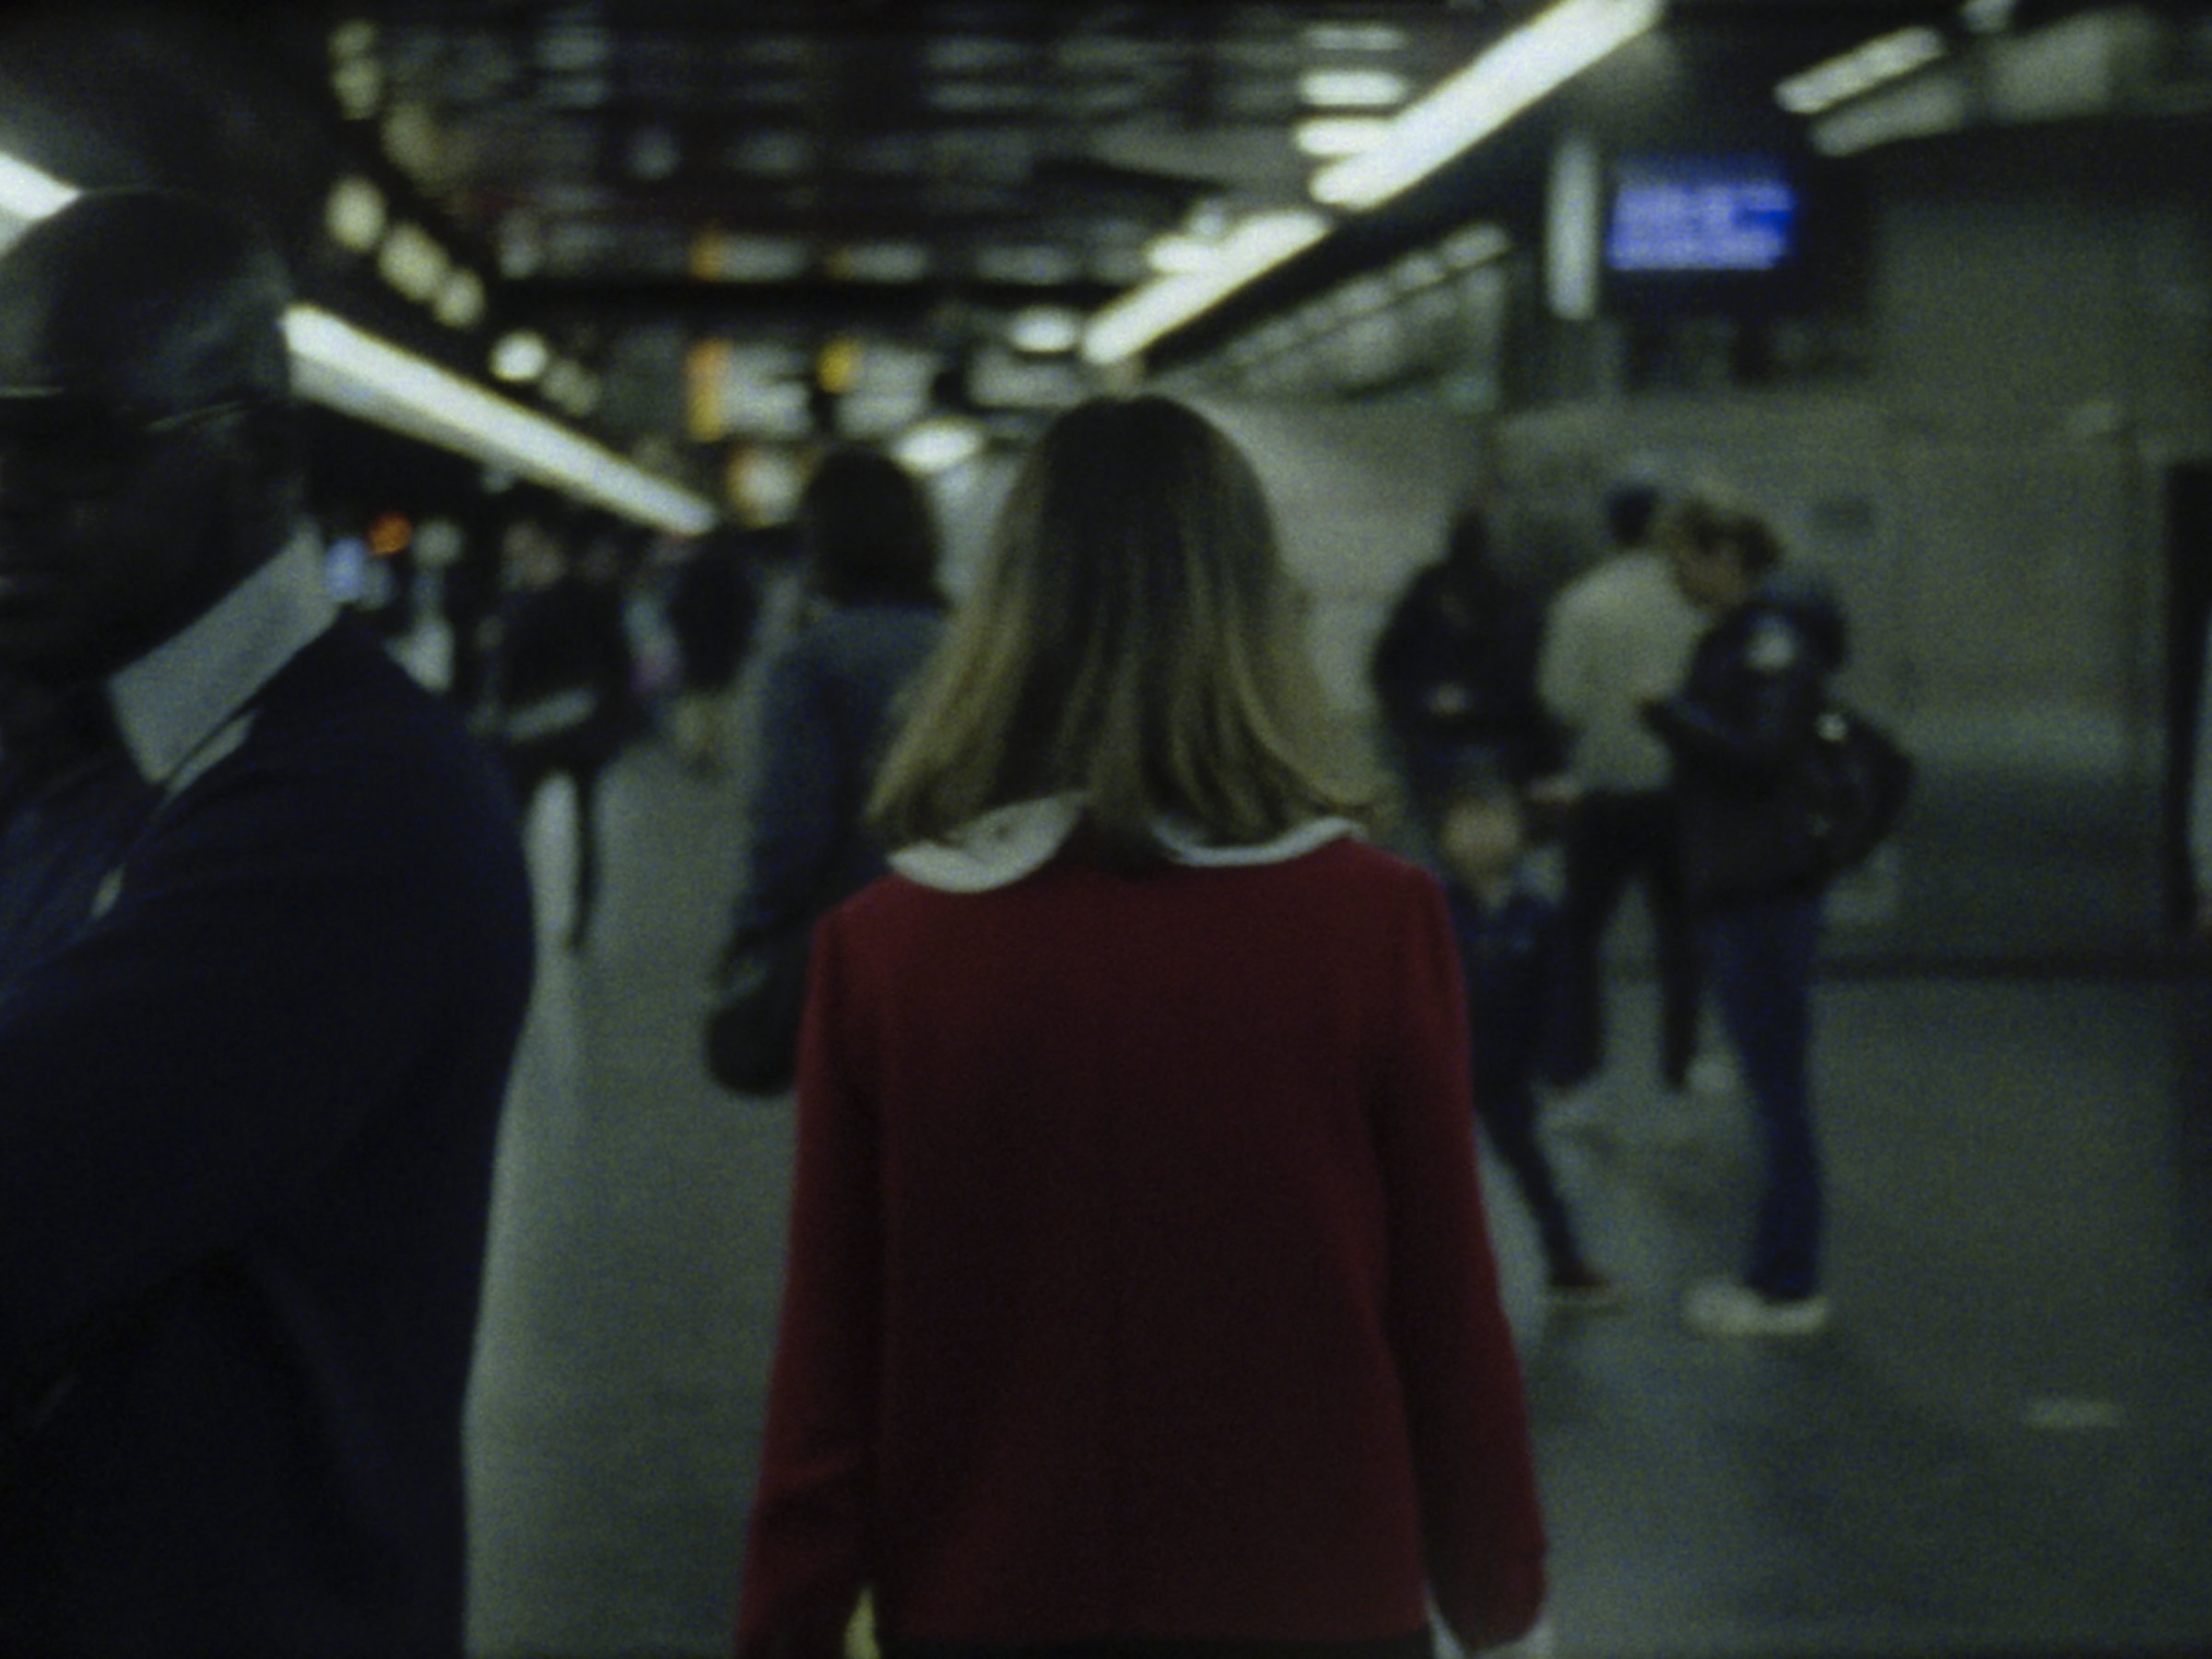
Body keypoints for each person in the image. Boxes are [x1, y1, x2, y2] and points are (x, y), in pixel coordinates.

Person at [736, 395, 1546, 1659]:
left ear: (1003, 615)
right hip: (1321, 1607)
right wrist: (1499, 1603)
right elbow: (1446, 1317)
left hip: (988, 1606)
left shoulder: (884, 951)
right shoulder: (1376, 922)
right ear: (1249, 610)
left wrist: (788, 1628)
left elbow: (830, 1378)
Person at [0, 189, 534, 1653]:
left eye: (70, 439)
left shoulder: (353, 812)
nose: (8, 488)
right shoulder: (79, 746)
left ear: (261, 459)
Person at [1641, 488, 1846, 1339]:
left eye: (1683, 558)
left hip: (1761, 891)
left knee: (1777, 1094)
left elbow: (1759, 755)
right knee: (1774, 1089)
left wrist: (1666, 713)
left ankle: (1787, 1285)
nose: (1676, 577)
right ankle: (1776, 1275)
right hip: (1748, 885)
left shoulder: (1767, 642)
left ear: (1724, 554)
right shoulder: (1743, 640)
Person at [713, 445, 946, 1060]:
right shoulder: (978, 647)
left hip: (857, 942)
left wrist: (756, 926)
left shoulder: (814, 660)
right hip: (969, 939)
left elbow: (792, 823)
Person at [1534, 479, 1711, 1133]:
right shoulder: (1693, 601)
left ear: (1608, 528)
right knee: (1681, 946)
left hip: (1604, 800)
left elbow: (1562, 703)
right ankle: (1679, 1089)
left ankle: (1582, 1087)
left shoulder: (1583, 603)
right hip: (1681, 800)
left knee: (1579, 940)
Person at [1434, 758, 1622, 1312]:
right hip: (1444, 1072)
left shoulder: (1538, 915)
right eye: (1467, 820)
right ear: (1443, 834)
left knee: (1533, 1168)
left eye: (1496, 818)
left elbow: (1559, 999)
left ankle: (1563, 1262)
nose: (1483, 831)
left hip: (1507, 1072)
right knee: (1433, 1178)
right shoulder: (1431, 908)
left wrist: (1563, 1066)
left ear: (1521, 829)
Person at [484, 512, 638, 950]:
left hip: (542, 735)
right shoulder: (591, 599)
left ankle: (518, 916)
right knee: (581, 827)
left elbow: (512, 673)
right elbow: (618, 665)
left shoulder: (531, 603)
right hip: (573, 732)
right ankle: (576, 922)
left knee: (522, 827)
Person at [1370, 505, 1560, 835]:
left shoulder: (1432, 589)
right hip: (1490, 742)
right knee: (1492, 843)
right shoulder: (1515, 598)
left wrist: (1421, 703)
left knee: (1439, 840)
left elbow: (1386, 665)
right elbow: (1528, 684)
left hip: (1442, 742)